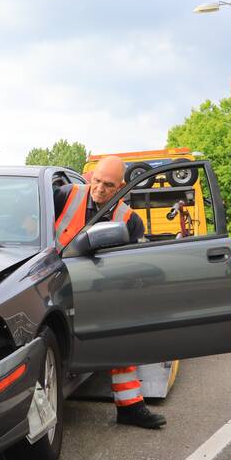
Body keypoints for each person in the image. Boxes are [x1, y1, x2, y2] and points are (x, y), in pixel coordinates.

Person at [53, 155, 166, 429]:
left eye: (108, 185)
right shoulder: (65, 195)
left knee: (123, 336)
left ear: (121, 186)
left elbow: (130, 269)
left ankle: (130, 408)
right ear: (91, 176)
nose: (100, 189)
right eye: (97, 181)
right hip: (55, 284)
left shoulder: (129, 219)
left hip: (98, 290)